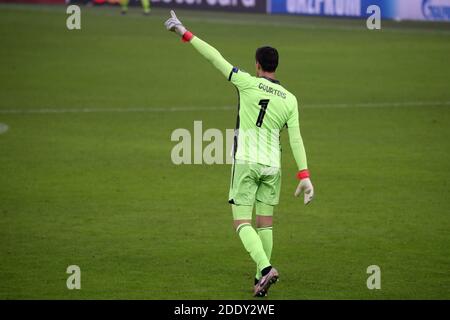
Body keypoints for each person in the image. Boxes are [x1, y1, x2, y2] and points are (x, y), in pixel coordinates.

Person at [164, 11, 314, 297]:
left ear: (257, 65)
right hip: (274, 167)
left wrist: (184, 32)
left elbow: (214, 57)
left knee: (241, 222)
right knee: (265, 222)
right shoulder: (291, 100)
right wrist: (304, 175)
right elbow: (296, 138)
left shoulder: (246, 82)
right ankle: (261, 276)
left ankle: (266, 269)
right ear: (276, 66)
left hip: (247, 162)